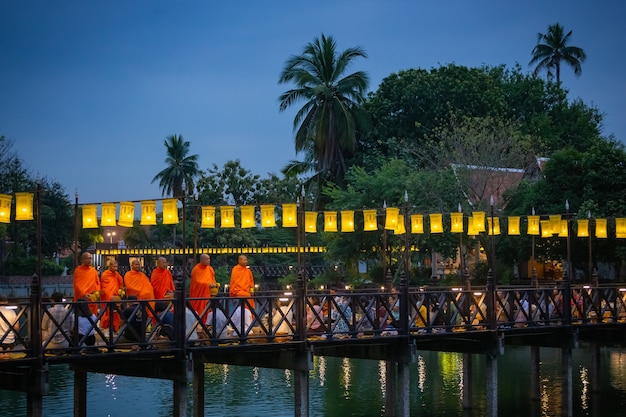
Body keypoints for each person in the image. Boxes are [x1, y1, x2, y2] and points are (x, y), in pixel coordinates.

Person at [189, 254, 216, 321]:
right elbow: (197, 282)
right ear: (201, 260)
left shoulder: (210, 269)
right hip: (199, 296)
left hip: (208, 295)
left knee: (208, 312)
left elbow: (213, 280)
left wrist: (214, 285)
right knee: (199, 314)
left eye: (209, 259)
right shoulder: (196, 269)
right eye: (206, 259)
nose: (208, 261)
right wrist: (208, 284)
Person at [100, 260, 123, 333]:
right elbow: (104, 287)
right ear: (109, 266)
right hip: (108, 297)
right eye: (114, 266)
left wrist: (120, 291)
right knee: (107, 312)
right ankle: (106, 327)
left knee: (116, 313)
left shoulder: (117, 275)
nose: (116, 268)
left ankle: (115, 328)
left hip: (116, 297)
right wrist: (109, 296)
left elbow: (121, 285)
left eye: (117, 266)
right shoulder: (105, 274)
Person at [0, 294, 19, 359]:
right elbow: (16, 327)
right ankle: (7, 350)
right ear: (6, 302)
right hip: (10, 340)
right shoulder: (12, 312)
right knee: (7, 353)